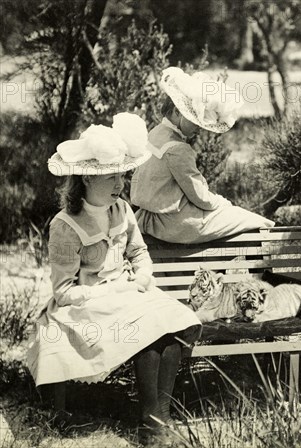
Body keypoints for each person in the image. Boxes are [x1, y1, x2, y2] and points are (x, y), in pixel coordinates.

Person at [27, 113, 202, 443]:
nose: (121, 185)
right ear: (88, 180)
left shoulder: (121, 210)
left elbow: (138, 254)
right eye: (112, 177)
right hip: (86, 302)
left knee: (173, 321)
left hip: (127, 291)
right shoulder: (65, 225)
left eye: (123, 175)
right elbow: (64, 289)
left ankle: (157, 418)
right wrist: (102, 295)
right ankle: (153, 425)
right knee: (147, 325)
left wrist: (143, 277)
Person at [131, 67, 274, 244]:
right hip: (176, 224)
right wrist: (224, 204)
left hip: (148, 217)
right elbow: (201, 197)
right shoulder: (178, 149)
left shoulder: (154, 133)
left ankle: (220, 267)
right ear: (177, 112)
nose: (199, 128)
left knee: (236, 217)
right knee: (255, 222)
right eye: (196, 121)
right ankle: (251, 270)